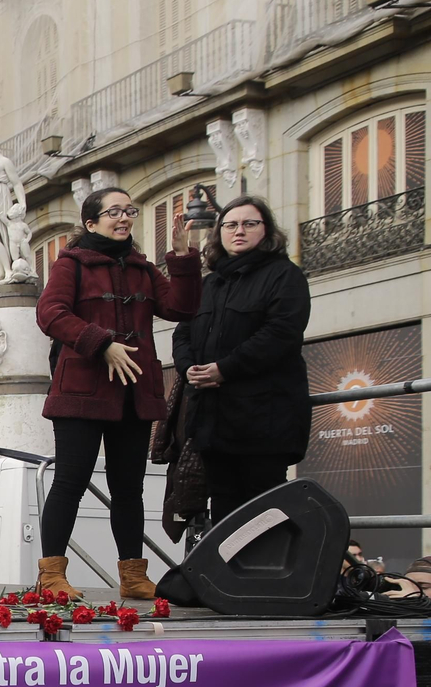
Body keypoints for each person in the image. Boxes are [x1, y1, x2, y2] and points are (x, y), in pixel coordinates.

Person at [35, 187, 199, 600]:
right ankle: (51, 575)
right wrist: (101, 342)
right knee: (70, 482)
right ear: (91, 222)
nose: (124, 218)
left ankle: (132, 575)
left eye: (129, 210)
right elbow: (50, 313)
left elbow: (183, 308)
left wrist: (181, 257)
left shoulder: (143, 269)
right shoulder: (71, 264)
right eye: (114, 212)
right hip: (81, 392)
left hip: (132, 392)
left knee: (129, 488)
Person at [171, 193, 311, 523]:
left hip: (264, 422)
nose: (239, 231)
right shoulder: (209, 284)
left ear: (266, 230)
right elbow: (183, 333)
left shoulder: (284, 275)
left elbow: (280, 334)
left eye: (250, 223)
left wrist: (224, 369)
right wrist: (187, 367)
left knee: (264, 515)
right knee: (223, 518)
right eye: (230, 224)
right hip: (212, 423)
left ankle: (264, 576)